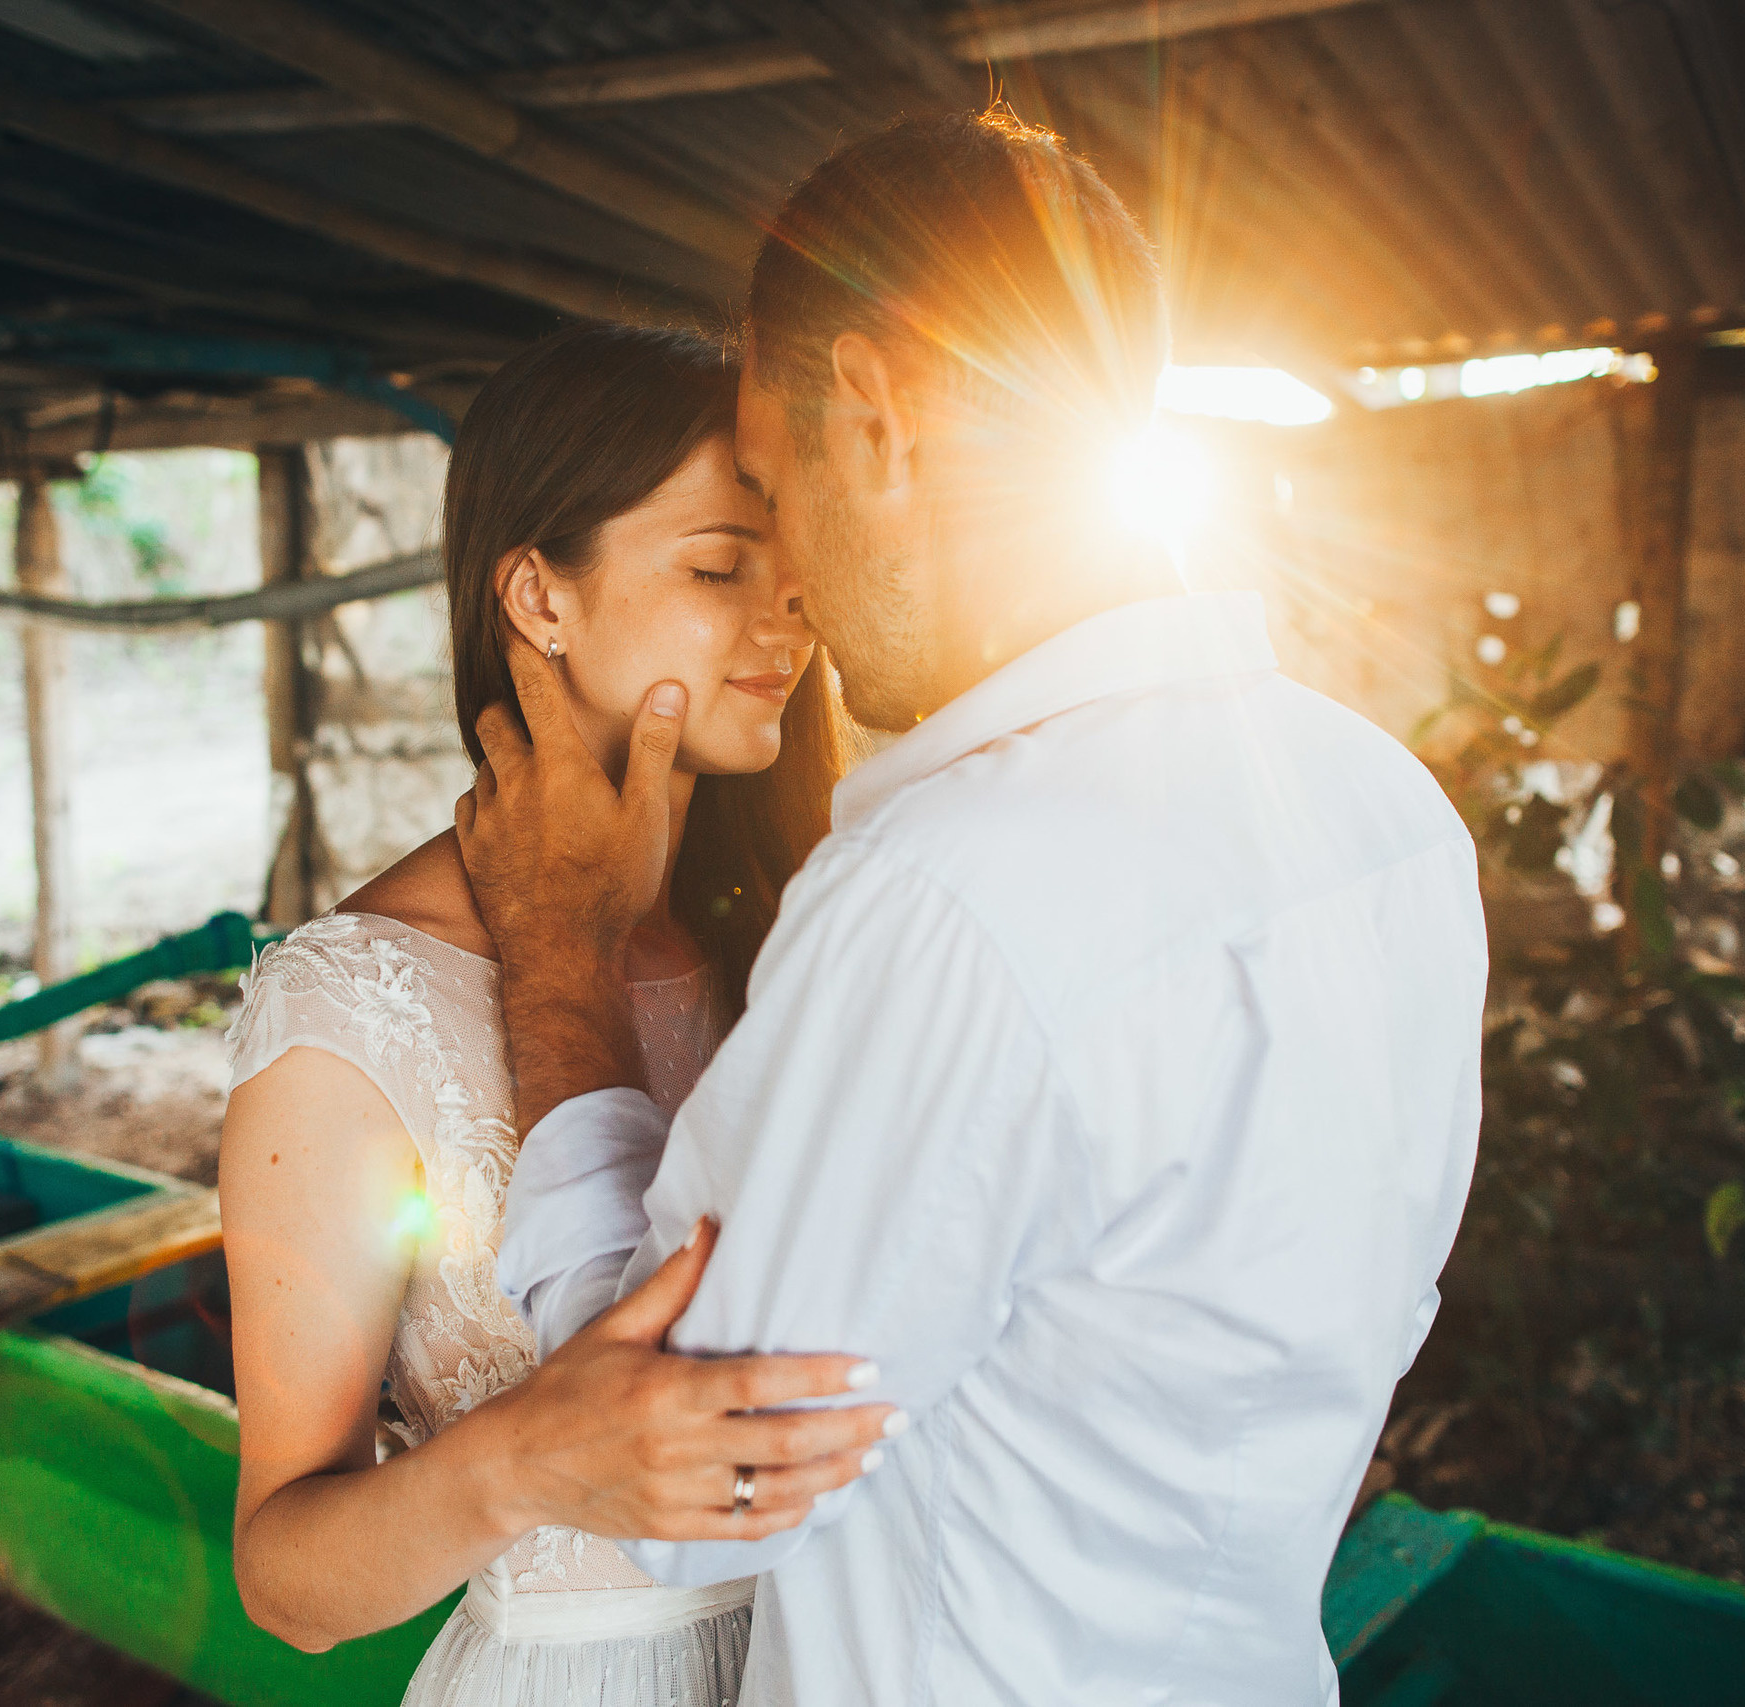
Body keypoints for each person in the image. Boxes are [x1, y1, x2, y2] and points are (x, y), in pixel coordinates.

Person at [465, 110, 1489, 1706]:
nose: (787, 581)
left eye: (773, 482)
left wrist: (556, 957)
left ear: (876, 417)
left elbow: (684, 1484)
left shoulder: (952, 897)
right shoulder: (1384, 812)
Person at [217, 323, 897, 1705]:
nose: (788, 617)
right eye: (719, 567)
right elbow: (285, 1577)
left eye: (793, 566)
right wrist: (525, 1458)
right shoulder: (357, 997)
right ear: (539, 594)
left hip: (861, 1654)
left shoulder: (812, 924)